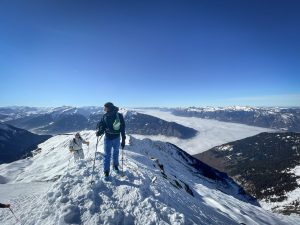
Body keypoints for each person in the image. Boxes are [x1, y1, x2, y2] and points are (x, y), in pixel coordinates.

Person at [96, 102, 126, 179]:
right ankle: (115, 166)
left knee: (107, 155)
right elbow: (122, 128)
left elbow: (102, 125)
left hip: (108, 138)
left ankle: (106, 171)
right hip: (116, 137)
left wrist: (99, 132)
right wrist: (123, 139)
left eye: (105, 107)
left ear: (108, 107)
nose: (104, 108)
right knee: (115, 153)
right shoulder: (119, 115)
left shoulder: (105, 116)